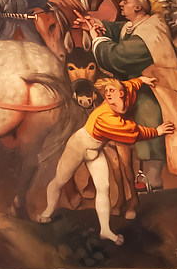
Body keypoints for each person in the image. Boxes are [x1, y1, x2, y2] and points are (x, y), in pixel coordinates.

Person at [37, 74, 166, 242]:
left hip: (96, 150)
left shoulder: (121, 92)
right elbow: (133, 133)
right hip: (78, 146)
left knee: (103, 187)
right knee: (60, 180)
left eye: (120, 98)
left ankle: (105, 230)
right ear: (107, 96)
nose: (119, 105)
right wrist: (156, 132)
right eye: (112, 101)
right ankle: (47, 211)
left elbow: (128, 85)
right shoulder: (106, 119)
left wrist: (142, 80)